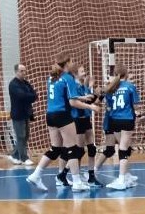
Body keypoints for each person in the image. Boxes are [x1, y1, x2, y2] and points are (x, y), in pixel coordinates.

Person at [25, 55, 98, 192]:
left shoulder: (51, 78)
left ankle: (36, 175)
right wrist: (90, 107)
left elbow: (62, 95)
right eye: (71, 61)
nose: (73, 63)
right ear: (67, 64)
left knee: (55, 149)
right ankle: (77, 182)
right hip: (63, 115)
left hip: (50, 115)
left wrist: (82, 97)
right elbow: (72, 102)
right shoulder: (67, 78)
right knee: (73, 148)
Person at [104, 66, 141, 191]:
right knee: (124, 149)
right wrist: (138, 115)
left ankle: (126, 176)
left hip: (114, 120)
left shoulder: (111, 87)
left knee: (122, 147)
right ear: (126, 74)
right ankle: (121, 180)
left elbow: (108, 105)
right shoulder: (130, 86)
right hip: (126, 119)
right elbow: (136, 105)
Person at [8, 63, 37, 166]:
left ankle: (14, 155)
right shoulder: (13, 84)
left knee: (26, 136)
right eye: (21, 71)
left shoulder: (26, 83)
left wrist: (29, 96)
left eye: (25, 70)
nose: (24, 73)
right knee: (21, 136)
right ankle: (24, 158)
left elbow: (34, 95)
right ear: (16, 72)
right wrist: (28, 96)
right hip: (18, 115)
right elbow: (22, 96)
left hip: (26, 113)